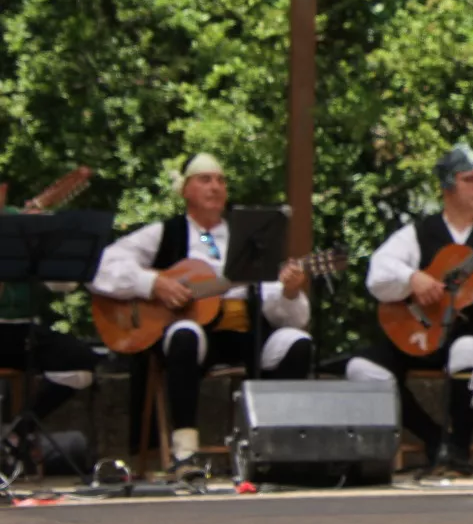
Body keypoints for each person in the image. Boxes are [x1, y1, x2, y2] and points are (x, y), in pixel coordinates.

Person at [92, 153, 312, 474]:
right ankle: (185, 453)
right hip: (192, 336)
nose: (215, 187)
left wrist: (290, 291)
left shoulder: (247, 238)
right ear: (185, 190)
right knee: (186, 333)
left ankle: (277, 448)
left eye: (221, 180)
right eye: (205, 180)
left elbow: (286, 312)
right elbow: (101, 266)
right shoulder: (165, 232)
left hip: (244, 333)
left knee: (296, 342)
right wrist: (153, 284)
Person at [346, 144, 473, 470]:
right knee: (361, 369)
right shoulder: (418, 233)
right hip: (423, 333)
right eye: (470, 179)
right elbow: (378, 273)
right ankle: (433, 438)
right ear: (447, 186)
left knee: (469, 353)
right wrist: (412, 278)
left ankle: (459, 447)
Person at [0, 199, 97, 476]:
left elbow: (64, 285)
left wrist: (46, 242)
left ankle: (18, 433)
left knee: (80, 363)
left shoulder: (20, 223)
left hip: (23, 329)